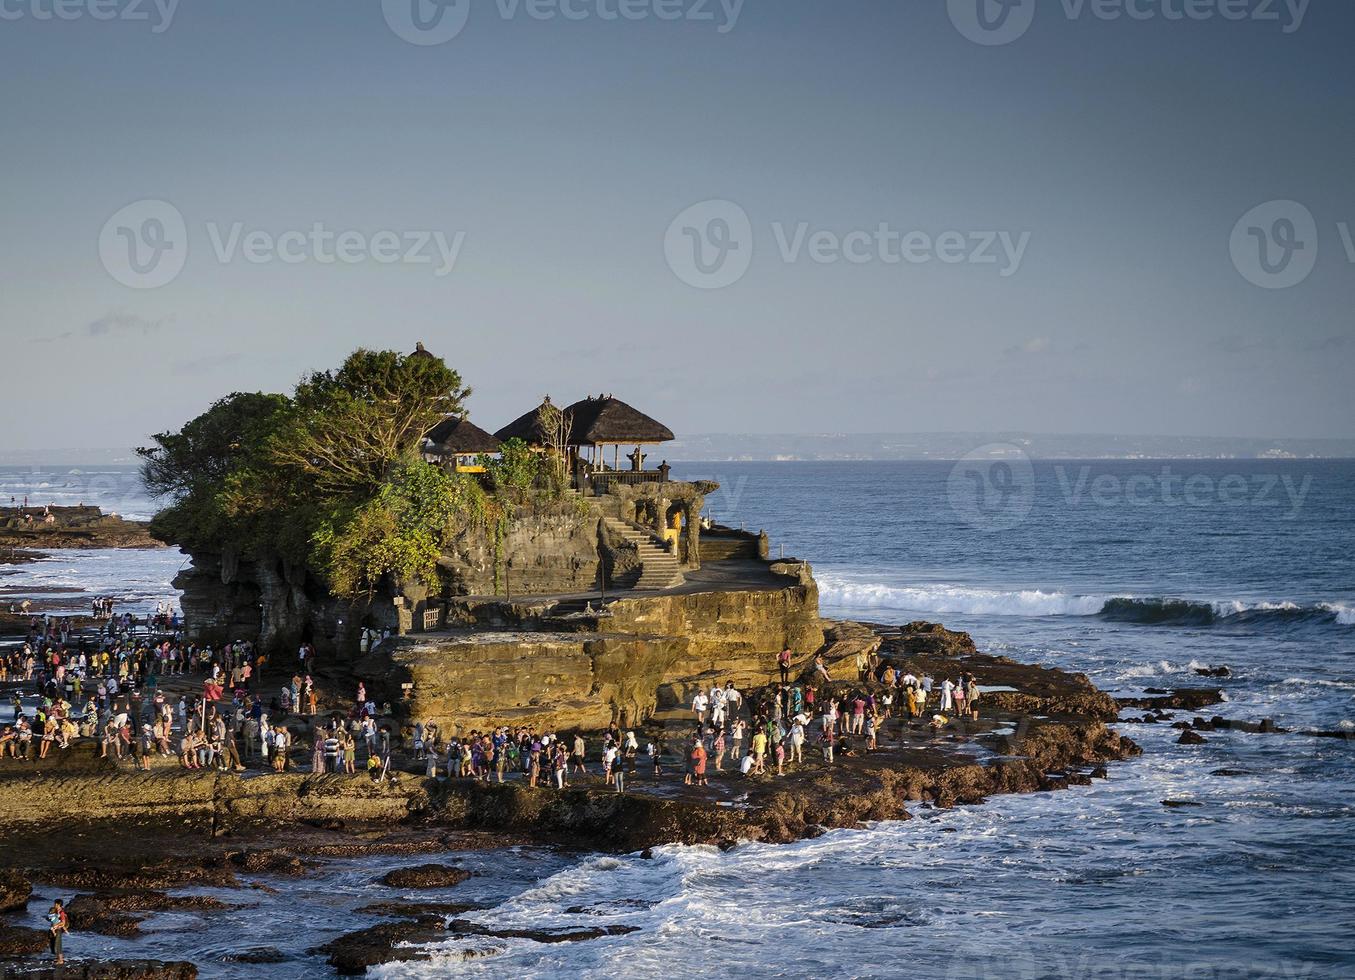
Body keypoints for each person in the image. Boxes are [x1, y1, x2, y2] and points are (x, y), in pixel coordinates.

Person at [47, 898, 68, 965]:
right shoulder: (56, 911)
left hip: (58, 929)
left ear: (58, 904)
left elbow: (63, 922)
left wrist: (55, 925)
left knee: (58, 944)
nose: (54, 905)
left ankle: (61, 960)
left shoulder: (61, 912)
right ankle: (58, 958)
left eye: (55, 904)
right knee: (53, 943)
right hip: (54, 929)